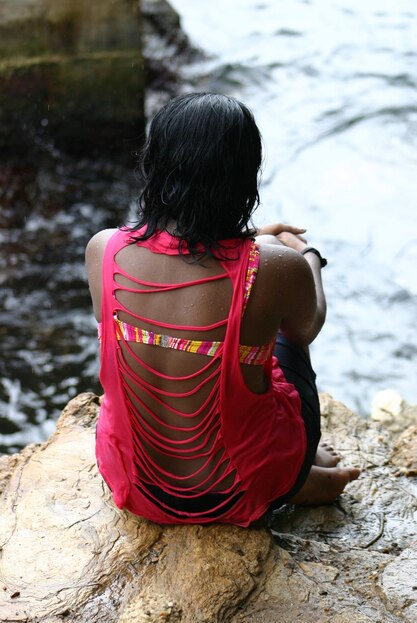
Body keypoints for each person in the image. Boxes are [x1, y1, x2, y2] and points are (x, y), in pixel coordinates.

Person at [86, 93, 360, 527]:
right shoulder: (276, 268)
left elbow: (179, 263)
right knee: (285, 335)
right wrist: (309, 257)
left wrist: (253, 242)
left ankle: (292, 469)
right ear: (244, 176)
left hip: (136, 484)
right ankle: (294, 475)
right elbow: (307, 327)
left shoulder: (104, 249)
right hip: (238, 490)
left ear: (154, 166)